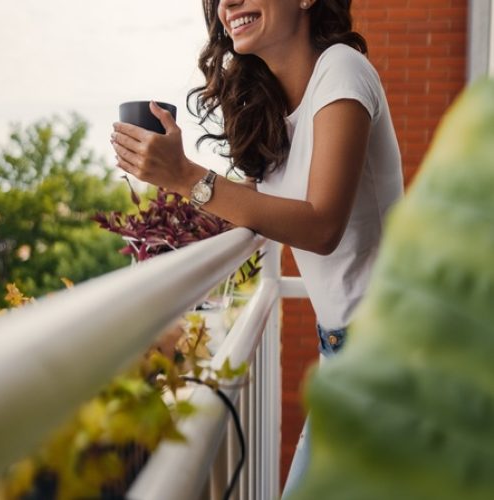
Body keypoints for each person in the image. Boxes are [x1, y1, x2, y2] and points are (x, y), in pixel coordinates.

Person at [110, 0, 403, 495]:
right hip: (348, 354)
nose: (229, 4)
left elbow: (321, 224)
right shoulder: (276, 104)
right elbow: (263, 209)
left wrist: (187, 176)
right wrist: (174, 180)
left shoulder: (342, 71)